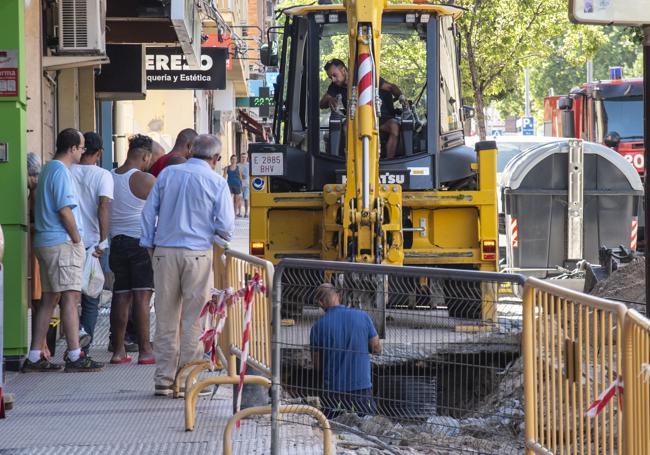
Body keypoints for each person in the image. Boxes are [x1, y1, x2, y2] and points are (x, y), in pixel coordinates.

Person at [141, 134, 235, 396]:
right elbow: (226, 227)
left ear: (192, 150)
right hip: (197, 255)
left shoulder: (169, 175)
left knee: (165, 316)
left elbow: (149, 213)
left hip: (164, 252)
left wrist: (150, 246)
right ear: (216, 159)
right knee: (194, 319)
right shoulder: (216, 182)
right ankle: (187, 379)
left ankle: (163, 379)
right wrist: (213, 232)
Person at [23, 128, 104, 373]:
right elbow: (64, 209)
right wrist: (77, 239)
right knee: (71, 297)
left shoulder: (48, 169)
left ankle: (36, 354)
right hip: (61, 243)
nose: (82, 151)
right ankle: (74, 353)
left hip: (46, 241)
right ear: (71, 149)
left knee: (50, 298)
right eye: (80, 148)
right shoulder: (60, 171)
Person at [109, 134, 156, 365]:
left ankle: (118, 351)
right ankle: (145, 350)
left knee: (120, 296)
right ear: (145, 155)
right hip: (138, 243)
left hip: (116, 242)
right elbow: (162, 210)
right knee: (142, 297)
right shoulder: (144, 179)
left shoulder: (110, 177)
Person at [309, 283, 381, 418]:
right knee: (366, 431)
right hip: (361, 390)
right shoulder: (362, 316)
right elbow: (376, 348)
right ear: (339, 297)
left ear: (320, 302)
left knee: (333, 431)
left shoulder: (318, 327)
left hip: (333, 393)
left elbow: (317, 365)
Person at [70, 132, 114, 353]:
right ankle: (82, 349)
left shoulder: (66, 170)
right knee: (91, 297)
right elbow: (104, 206)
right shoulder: (103, 175)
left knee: (67, 296)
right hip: (93, 245)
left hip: (68, 240)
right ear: (99, 153)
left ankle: (75, 342)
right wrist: (103, 240)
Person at [319, 58, 405, 159]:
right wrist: (330, 100)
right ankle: (350, 161)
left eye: (334, 75)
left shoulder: (365, 76)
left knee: (395, 127)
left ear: (343, 70)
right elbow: (322, 104)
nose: (333, 79)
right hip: (356, 119)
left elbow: (391, 87)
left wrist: (402, 98)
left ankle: (389, 163)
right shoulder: (335, 85)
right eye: (330, 77)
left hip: (378, 118)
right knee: (347, 126)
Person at [237, 152, 250, 218]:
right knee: (239, 198)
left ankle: (246, 213)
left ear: (247, 157)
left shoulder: (249, 165)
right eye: (242, 157)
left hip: (247, 184)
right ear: (240, 157)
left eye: (244, 157)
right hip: (239, 184)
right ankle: (239, 212)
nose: (243, 158)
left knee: (246, 199)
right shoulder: (238, 165)